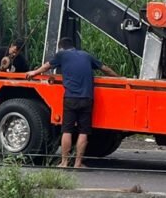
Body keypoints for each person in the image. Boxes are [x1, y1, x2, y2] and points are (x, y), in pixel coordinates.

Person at [26, 37, 118, 168]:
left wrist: (34, 72)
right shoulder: (86, 55)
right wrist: (120, 78)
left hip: (70, 98)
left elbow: (47, 66)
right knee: (83, 131)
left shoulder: (62, 55)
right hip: (87, 98)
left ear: (61, 47)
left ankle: (64, 162)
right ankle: (78, 163)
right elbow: (105, 69)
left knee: (67, 130)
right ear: (73, 46)